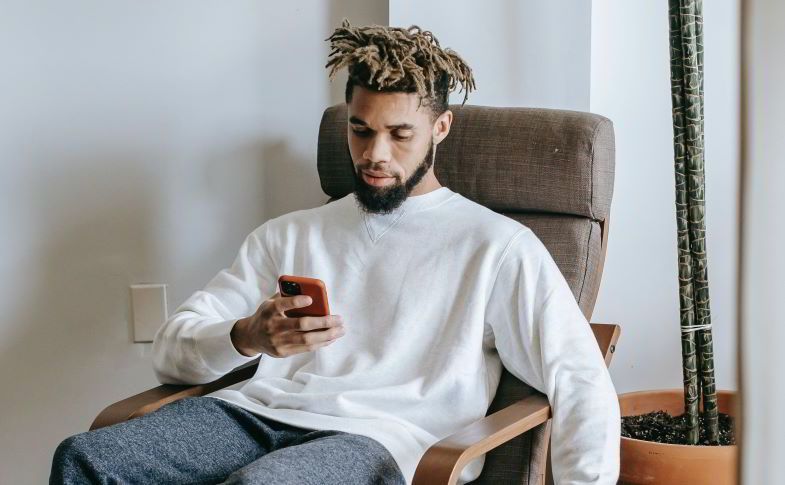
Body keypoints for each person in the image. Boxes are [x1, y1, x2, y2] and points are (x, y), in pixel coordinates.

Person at [51, 20, 620, 485]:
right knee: (86, 458)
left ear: (440, 127)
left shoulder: (495, 246)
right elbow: (172, 353)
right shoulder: (290, 234)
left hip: (383, 438)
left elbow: (578, 376)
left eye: (399, 134)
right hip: (255, 413)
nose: (374, 154)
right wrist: (247, 336)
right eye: (359, 129)